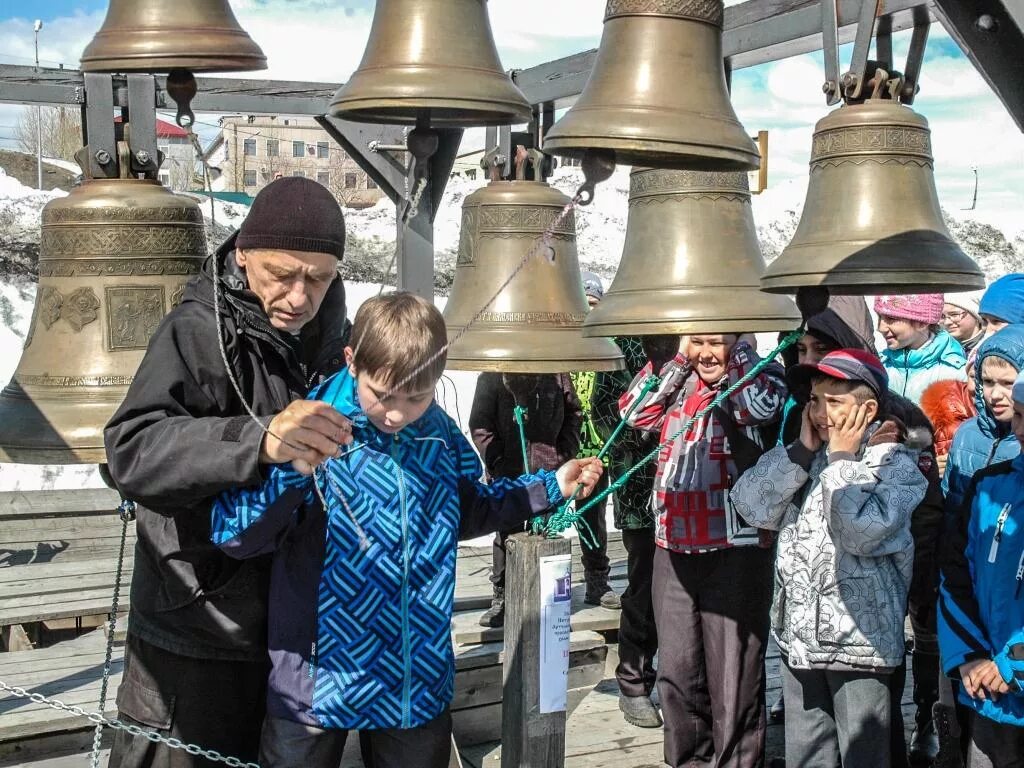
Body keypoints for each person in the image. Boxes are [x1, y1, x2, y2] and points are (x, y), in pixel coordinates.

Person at [209, 293, 604, 767]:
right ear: (352, 361)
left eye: (417, 396)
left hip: (415, 675)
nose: (397, 414)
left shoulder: (438, 434)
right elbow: (234, 534)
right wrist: (291, 475)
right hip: (318, 675)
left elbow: (464, 510)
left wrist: (548, 487)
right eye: (384, 394)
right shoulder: (309, 423)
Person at [102, 177, 351, 767]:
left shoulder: (331, 340)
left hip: (294, 630)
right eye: (281, 273)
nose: (298, 294)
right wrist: (258, 440)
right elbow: (130, 449)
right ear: (243, 252)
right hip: (196, 626)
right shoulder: (197, 329)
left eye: (319, 278)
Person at [732, 349, 928, 768]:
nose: (821, 413)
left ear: (868, 408)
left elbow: (858, 533)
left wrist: (841, 460)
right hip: (799, 641)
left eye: (835, 402)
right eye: (815, 400)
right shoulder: (803, 456)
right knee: (807, 757)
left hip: (860, 645)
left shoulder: (896, 466)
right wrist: (801, 453)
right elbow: (750, 506)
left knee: (865, 755)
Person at [621, 333, 787, 768]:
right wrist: (678, 358)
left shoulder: (759, 375)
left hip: (736, 548)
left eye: (717, 342)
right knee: (677, 672)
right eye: (698, 342)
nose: (706, 354)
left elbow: (759, 406)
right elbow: (634, 413)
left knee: (733, 676)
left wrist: (741, 349)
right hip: (673, 545)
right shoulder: (677, 381)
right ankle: (689, 761)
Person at [937, 368, 1024, 768]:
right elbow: (955, 575)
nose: (1022, 428)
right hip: (991, 691)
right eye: (1020, 416)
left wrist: (1013, 665)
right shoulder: (988, 485)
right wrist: (969, 655)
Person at [592, 334, 671, 728]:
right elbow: (602, 414)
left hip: (692, 488)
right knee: (644, 584)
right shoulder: (621, 347)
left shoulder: (700, 341)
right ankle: (634, 680)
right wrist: (646, 430)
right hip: (640, 486)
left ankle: (683, 684)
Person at [469, 371, 582, 627]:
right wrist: (497, 460)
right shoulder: (491, 377)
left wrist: (563, 455)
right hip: (507, 473)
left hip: (548, 472)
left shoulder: (558, 375)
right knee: (505, 536)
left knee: (546, 534)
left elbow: (574, 414)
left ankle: (544, 598)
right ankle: (502, 595)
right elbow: (480, 424)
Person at [570, 271, 621, 609]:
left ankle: (596, 581)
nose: (589, 313)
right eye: (583, 305)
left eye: (593, 305)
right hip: (566, 446)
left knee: (593, 516)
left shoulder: (610, 350)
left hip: (599, 448)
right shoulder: (563, 349)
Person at [942, 325, 1024, 516]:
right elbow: (946, 498)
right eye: (987, 382)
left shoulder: (1020, 442)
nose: (995, 395)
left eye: (1008, 383)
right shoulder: (966, 433)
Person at [875, 293, 967, 404]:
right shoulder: (879, 366)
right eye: (879, 317)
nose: (880, 328)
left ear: (922, 323)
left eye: (891, 318)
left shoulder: (955, 375)